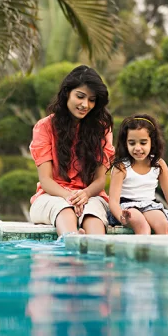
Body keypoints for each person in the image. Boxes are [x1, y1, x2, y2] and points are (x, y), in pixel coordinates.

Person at [28, 65, 115, 237]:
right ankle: (71, 244)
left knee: (93, 216)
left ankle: (97, 254)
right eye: (80, 96)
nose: (85, 105)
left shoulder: (102, 129)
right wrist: (70, 197)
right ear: (67, 93)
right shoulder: (45, 127)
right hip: (51, 196)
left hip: (90, 196)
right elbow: (46, 180)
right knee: (65, 209)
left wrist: (85, 194)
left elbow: (99, 181)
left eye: (92, 100)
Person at [108, 114, 168, 235]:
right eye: (132, 143)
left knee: (163, 225)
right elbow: (113, 201)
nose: (137, 148)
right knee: (142, 225)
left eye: (143, 143)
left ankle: (163, 253)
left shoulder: (159, 165)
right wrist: (121, 216)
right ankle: (141, 253)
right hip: (126, 207)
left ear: (152, 143)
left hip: (149, 205)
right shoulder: (121, 167)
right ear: (126, 144)